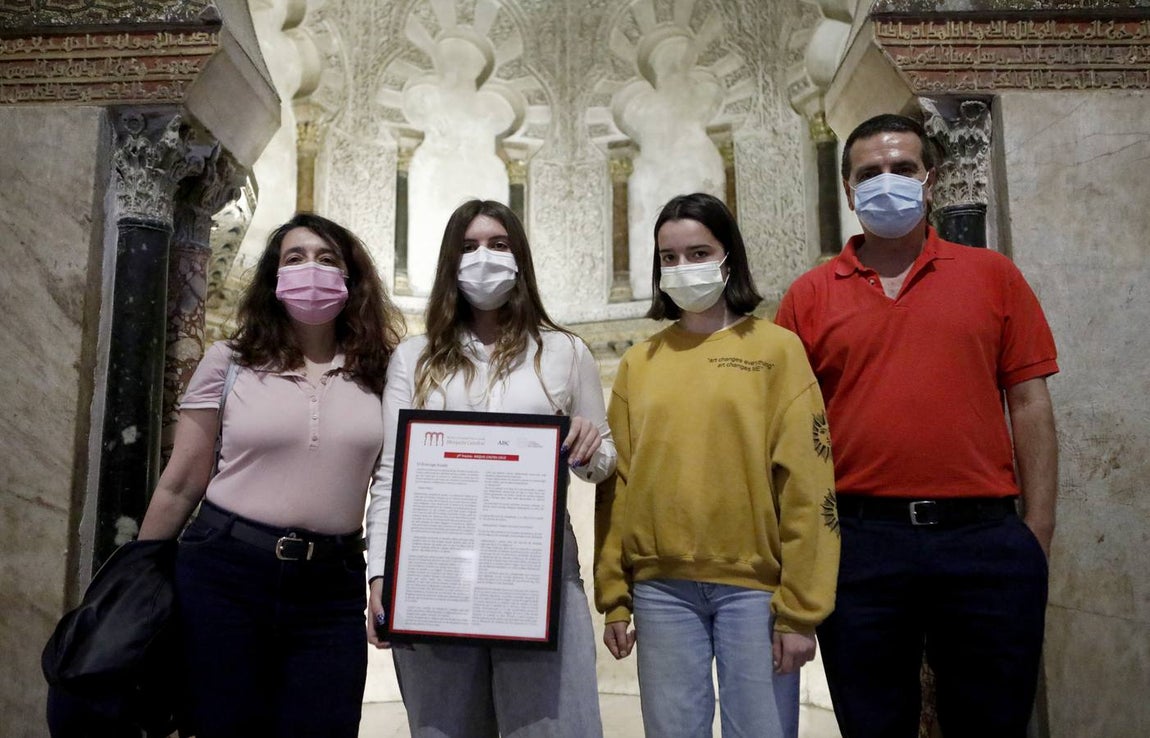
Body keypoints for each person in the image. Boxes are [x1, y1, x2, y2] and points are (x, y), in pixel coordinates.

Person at [775, 113, 1059, 738]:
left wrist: (1035, 533)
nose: (887, 182)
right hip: (859, 543)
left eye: (902, 168)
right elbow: (787, 433)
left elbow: (1031, 404)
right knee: (873, 724)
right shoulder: (808, 296)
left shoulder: (993, 276)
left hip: (984, 538)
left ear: (929, 179)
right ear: (848, 191)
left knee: (992, 723)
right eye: (869, 173)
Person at [138, 213, 405, 737]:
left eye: (328, 259)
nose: (312, 269)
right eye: (295, 257)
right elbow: (180, 480)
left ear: (351, 280)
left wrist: (384, 575)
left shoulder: (384, 372)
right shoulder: (228, 360)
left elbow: (393, 483)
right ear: (274, 277)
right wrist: (136, 575)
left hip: (332, 584)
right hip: (225, 571)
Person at [365, 199, 616, 738]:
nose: (485, 257)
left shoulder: (566, 351)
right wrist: (381, 572)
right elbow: (392, 474)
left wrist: (591, 446)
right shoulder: (414, 356)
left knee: (554, 730)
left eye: (499, 245)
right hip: (434, 576)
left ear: (519, 258)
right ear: (450, 262)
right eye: (470, 246)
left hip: (539, 577)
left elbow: (602, 463)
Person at [594, 192, 840, 738]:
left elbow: (807, 481)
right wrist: (614, 596)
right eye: (669, 257)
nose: (683, 267)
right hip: (661, 591)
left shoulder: (778, 350)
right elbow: (619, 485)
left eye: (698, 252)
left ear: (729, 257)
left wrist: (801, 610)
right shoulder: (640, 362)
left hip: (754, 592)